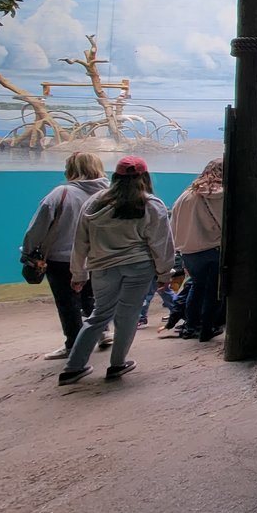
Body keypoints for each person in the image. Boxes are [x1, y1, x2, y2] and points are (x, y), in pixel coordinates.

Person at [58, 156, 175, 385]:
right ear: (145, 177)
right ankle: (117, 364)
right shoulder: (151, 204)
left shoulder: (93, 204)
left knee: (99, 315)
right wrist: (164, 274)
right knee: (128, 315)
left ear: (115, 177)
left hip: (102, 267)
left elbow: (80, 242)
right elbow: (162, 244)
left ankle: (72, 368)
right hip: (139, 267)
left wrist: (78, 273)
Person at [20, 152, 108, 360]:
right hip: (97, 257)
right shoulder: (109, 193)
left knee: (68, 303)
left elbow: (38, 227)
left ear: (71, 169)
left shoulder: (61, 193)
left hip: (62, 258)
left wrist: (27, 252)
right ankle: (102, 332)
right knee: (92, 297)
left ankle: (74, 347)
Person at [169, 157, 224, 342]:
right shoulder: (222, 196)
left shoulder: (186, 195)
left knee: (196, 287)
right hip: (213, 250)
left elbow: (174, 222)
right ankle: (208, 329)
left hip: (190, 252)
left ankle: (191, 326)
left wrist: (180, 248)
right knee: (213, 293)